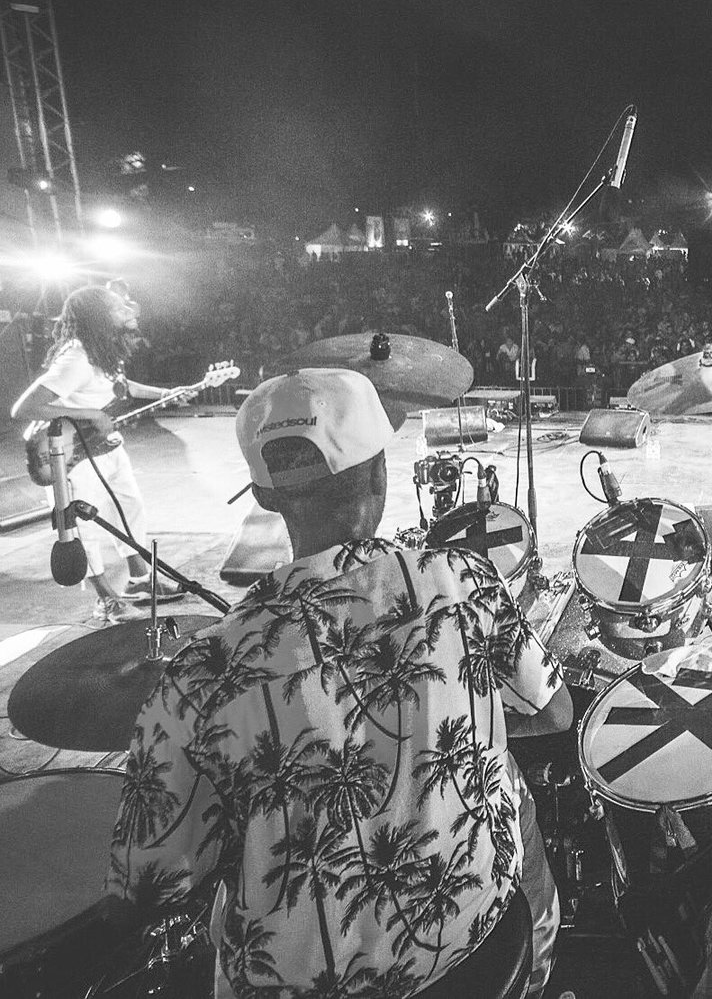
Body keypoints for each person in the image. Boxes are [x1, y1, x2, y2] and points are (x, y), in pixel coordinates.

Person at [104, 368, 571, 997]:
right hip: (478, 944)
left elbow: (146, 881)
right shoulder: (463, 583)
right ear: (380, 472)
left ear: (265, 497)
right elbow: (554, 712)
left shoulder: (201, 676)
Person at [11, 283, 184, 620]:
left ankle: (140, 580)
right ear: (100, 317)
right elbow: (25, 407)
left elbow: (121, 387)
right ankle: (106, 597)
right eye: (120, 307)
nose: (130, 309)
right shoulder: (77, 358)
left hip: (105, 446)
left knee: (129, 509)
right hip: (73, 455)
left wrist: (166, 392)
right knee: (83, 528)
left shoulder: (102, 349)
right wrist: (91, 415)